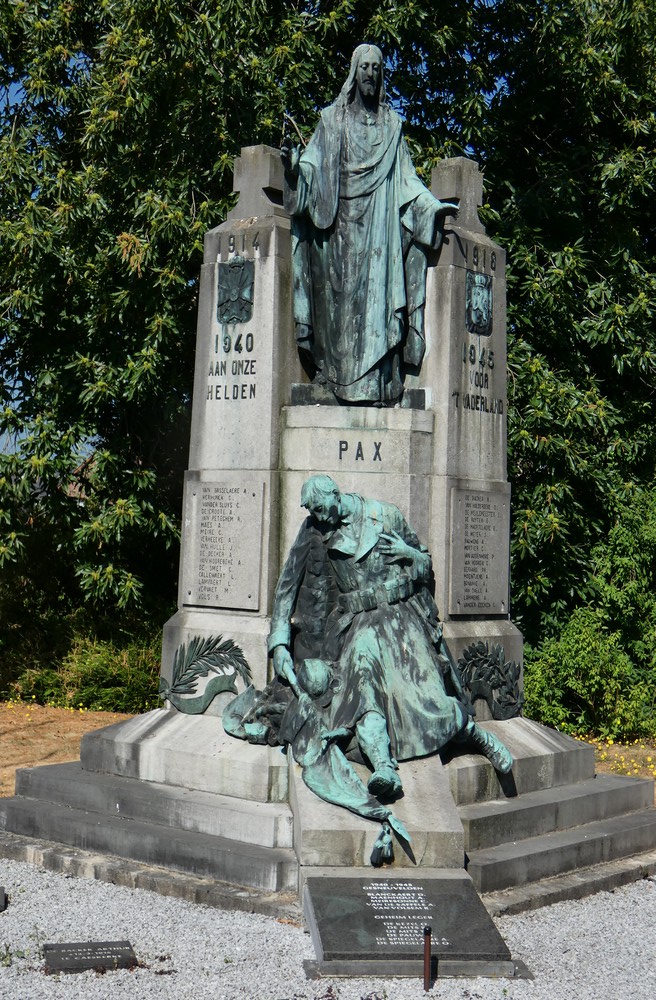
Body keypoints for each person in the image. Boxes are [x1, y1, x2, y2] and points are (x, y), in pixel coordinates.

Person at [268, 475, 513, 799]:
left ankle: (476, 735)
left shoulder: (385, 515)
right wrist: (279, 642)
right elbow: (287, 585)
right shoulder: (314, 529)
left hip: (401, 617)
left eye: (321, 509)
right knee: (362, 684)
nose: (319, 518)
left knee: (425, 690)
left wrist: (407, 553)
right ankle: (383, 765)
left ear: (336, 495)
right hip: (359, 623)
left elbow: (425, 567)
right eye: (313, 511)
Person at [282, 44, 458, 404]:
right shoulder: (332, 121)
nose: (370, 74)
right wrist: (294, 169)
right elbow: (312, 169)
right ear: (354, 72)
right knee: (340, 315)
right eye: (364, 67)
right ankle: (332, 381)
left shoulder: (392, 127)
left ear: (381, 76)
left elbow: (408, 180)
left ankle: (377, 386)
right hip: (338, 229)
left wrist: (431, 208)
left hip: (380, 228)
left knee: (378, 313)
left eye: (377, 68)